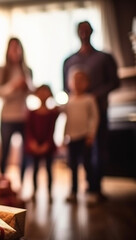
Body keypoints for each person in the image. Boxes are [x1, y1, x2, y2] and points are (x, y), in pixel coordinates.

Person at [63, 21, 120, 201]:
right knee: (75, 158)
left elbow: (114, 82)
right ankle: (76, 188)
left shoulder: (104, 57)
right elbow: (64, 88)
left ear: (92, 31)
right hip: (75, 119)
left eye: (87, 29)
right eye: (81, 30)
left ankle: (95, 189)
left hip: (98, 112)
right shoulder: (69, 60)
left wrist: (95, 95)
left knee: (99, 151)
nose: (84, 33)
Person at [0, 37, 33, 183]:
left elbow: (32, 92)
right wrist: (14, 86)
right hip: (7, 116)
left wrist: (27, 87)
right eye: (12, 48)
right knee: (5, 150)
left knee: (26, 152)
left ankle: (23, 182)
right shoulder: (1, 70)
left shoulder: (27, 70)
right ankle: (2, 181)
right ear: (8, 50)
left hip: (24, 115)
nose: (15, 51)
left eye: (18, 48)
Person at [64, 69, 99, 203]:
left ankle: (91, 191)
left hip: (85, 137)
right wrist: (64, 136)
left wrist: (91, 134)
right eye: (75, 80)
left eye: (81, 80)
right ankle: (73, 191)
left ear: (87, 83)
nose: (77, 83)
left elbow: (94, 118)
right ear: (70, 83)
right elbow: (66, 119)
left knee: (87, 165)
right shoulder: (69, 101)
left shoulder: (89, 99)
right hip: (71, 138)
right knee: (72, 166)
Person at [24, 85, 59, 202]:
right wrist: (32, 143)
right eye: (41, 91)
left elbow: (52, 130)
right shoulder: (31, 113)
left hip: (47, 146)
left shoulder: (53, 113)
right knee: (35, 170)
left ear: (50, 94)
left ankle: (50, 193)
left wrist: (46, 145)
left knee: (49, 169)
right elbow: (29, 130)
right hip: (34, 146)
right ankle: (34, 192)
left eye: (46, 91)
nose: (43, 94)